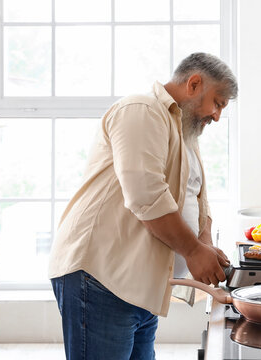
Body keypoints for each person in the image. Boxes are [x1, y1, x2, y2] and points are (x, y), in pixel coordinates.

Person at [48, 52, 238, 360]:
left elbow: (197, 197)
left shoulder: (183, 132)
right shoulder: (142, 110)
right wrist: (192, 251)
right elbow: (146, 195)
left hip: (140, 284)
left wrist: (205, 244)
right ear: (194, 84)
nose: (217, 116)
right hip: (101, 278)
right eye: (217, 102)